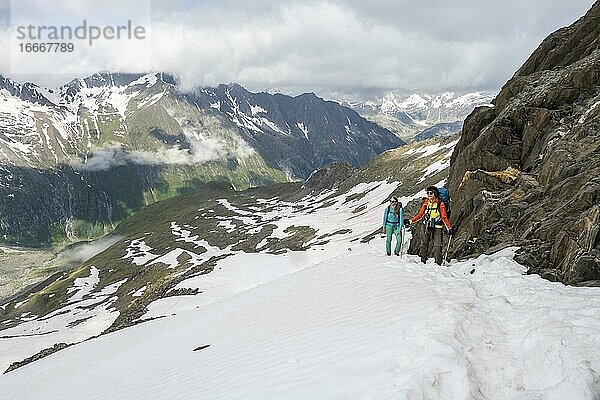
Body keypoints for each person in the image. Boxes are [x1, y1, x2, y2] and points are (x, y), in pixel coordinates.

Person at [405, 186, 453, 265]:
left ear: (435, 194)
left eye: (431, 193)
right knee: (424, 244)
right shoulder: (426, 203)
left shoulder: (440, 204)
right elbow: (420, 215)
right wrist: (410, 221)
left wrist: (449, 228)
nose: (429, 194)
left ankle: (438, 263)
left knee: (437, 246)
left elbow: (444, 217)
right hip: (426, 226)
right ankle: (423, 261)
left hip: (437, 227)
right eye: (428, 193)